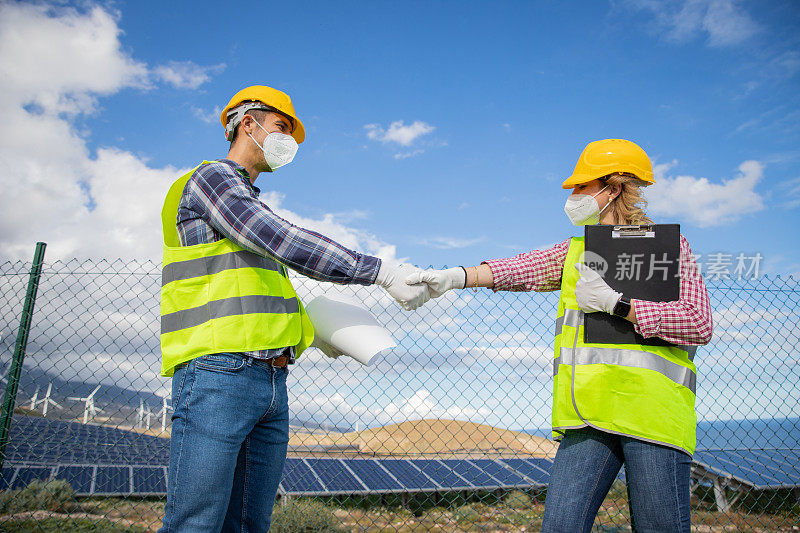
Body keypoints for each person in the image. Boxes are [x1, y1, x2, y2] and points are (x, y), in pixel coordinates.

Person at [158, 85, 430, 532]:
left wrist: (311, 329)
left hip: (270, 379)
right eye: (282, 127)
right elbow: (282, 239)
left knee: (248, 524)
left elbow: (252, 291)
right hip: (218, 374)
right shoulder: (211, 181)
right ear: (249, 124)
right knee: (196, 524)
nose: (288, 142)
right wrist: (380, 272)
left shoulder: (244, 201)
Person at [407, 139, 713, 532]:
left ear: (613, 188)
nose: (572, 195)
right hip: (589, 414)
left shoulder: (668, 249)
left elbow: (698, 322)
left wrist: (619, 304)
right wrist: (456, 277)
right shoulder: (575, 250)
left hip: (651, 417)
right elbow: (520, 268)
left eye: (582, 186)